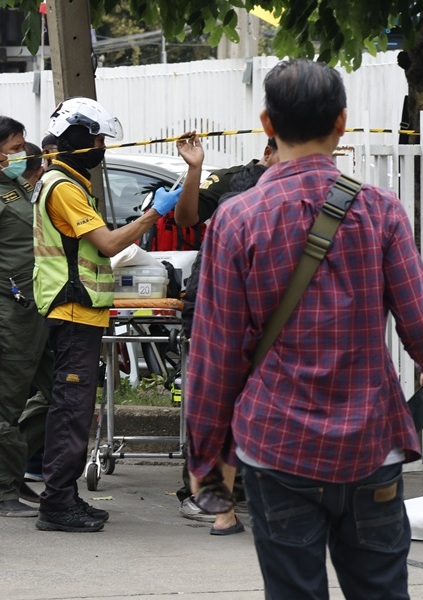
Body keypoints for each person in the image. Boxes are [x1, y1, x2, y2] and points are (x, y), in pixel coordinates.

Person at [185, 59, 423, 598]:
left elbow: (216, 353)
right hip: (371, 444)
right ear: (342, 121)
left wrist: (205, 455)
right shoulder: (380, 209)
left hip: (275, 446)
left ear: (267, 123)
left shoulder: (237, 219)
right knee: (382, 590)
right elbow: (422, 319)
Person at [33, 97, 182, 533]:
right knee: (70, 411)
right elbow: (110, 244)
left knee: (75, 410)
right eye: (96, 137)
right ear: (76, 137)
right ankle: (57, 505)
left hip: (80, 312)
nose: (101, 145)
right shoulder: (63, 187)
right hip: (73, 311)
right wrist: (155, 213)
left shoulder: (68, 182)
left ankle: (65, 497)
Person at [168, 133, 278, 532]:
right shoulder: (232, 182)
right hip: (217, 303)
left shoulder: (311, 190)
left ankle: (243, 492)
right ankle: (201, 495)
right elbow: (184, 219)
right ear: (267, 152)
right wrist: (195, 169)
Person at [0, 118, 52, 518]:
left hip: (38, 307)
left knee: (60, 395)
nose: (21, 153)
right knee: (6, 402)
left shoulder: (17, 187)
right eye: (15, 147)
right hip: (10, 312)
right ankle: (3, 490)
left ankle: (14, 474)